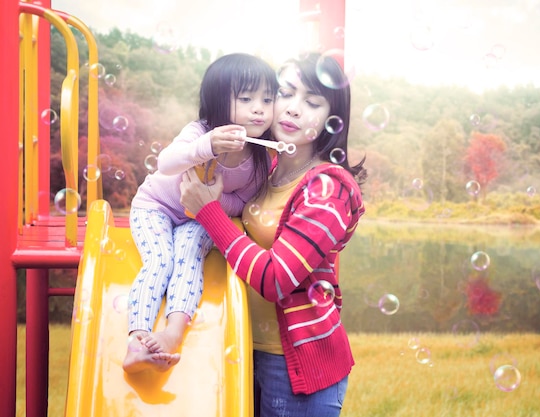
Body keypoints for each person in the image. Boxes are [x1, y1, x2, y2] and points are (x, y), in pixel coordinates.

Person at [180, 53, 366, 416]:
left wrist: (209, 212)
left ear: (331, 120)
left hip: (294, 363)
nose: (293, 109)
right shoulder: (269, 169)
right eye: (284, 93)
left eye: (311, 102)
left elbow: (275, 279)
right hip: (244, 348)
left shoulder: (328, 188)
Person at [123, 53, 277, 374]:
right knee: (161, 260)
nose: (260, 108)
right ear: (218, 103)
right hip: (156, 207)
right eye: (246, 98)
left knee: (189, 255)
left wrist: (212, 201)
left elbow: (243, 203)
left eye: (267, 98)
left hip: (200, 216)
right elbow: (166, 163)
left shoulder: (261, 155)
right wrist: (207, 145)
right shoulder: (201, 131)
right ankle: (137, 341)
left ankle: (171, 333)